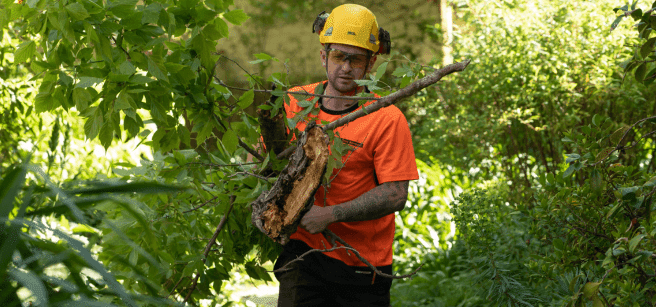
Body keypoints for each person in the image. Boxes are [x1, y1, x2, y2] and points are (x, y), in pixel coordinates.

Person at [274, 4, 419, 306]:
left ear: (371, 62)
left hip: (364, 265)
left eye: (356, 59)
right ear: (323, 55)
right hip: (303, 256)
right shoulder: (294, 103)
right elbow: (265, 164)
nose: (346, 67)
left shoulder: (385, 118)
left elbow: (396, 194)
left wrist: (330, 215)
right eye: (339, 56)